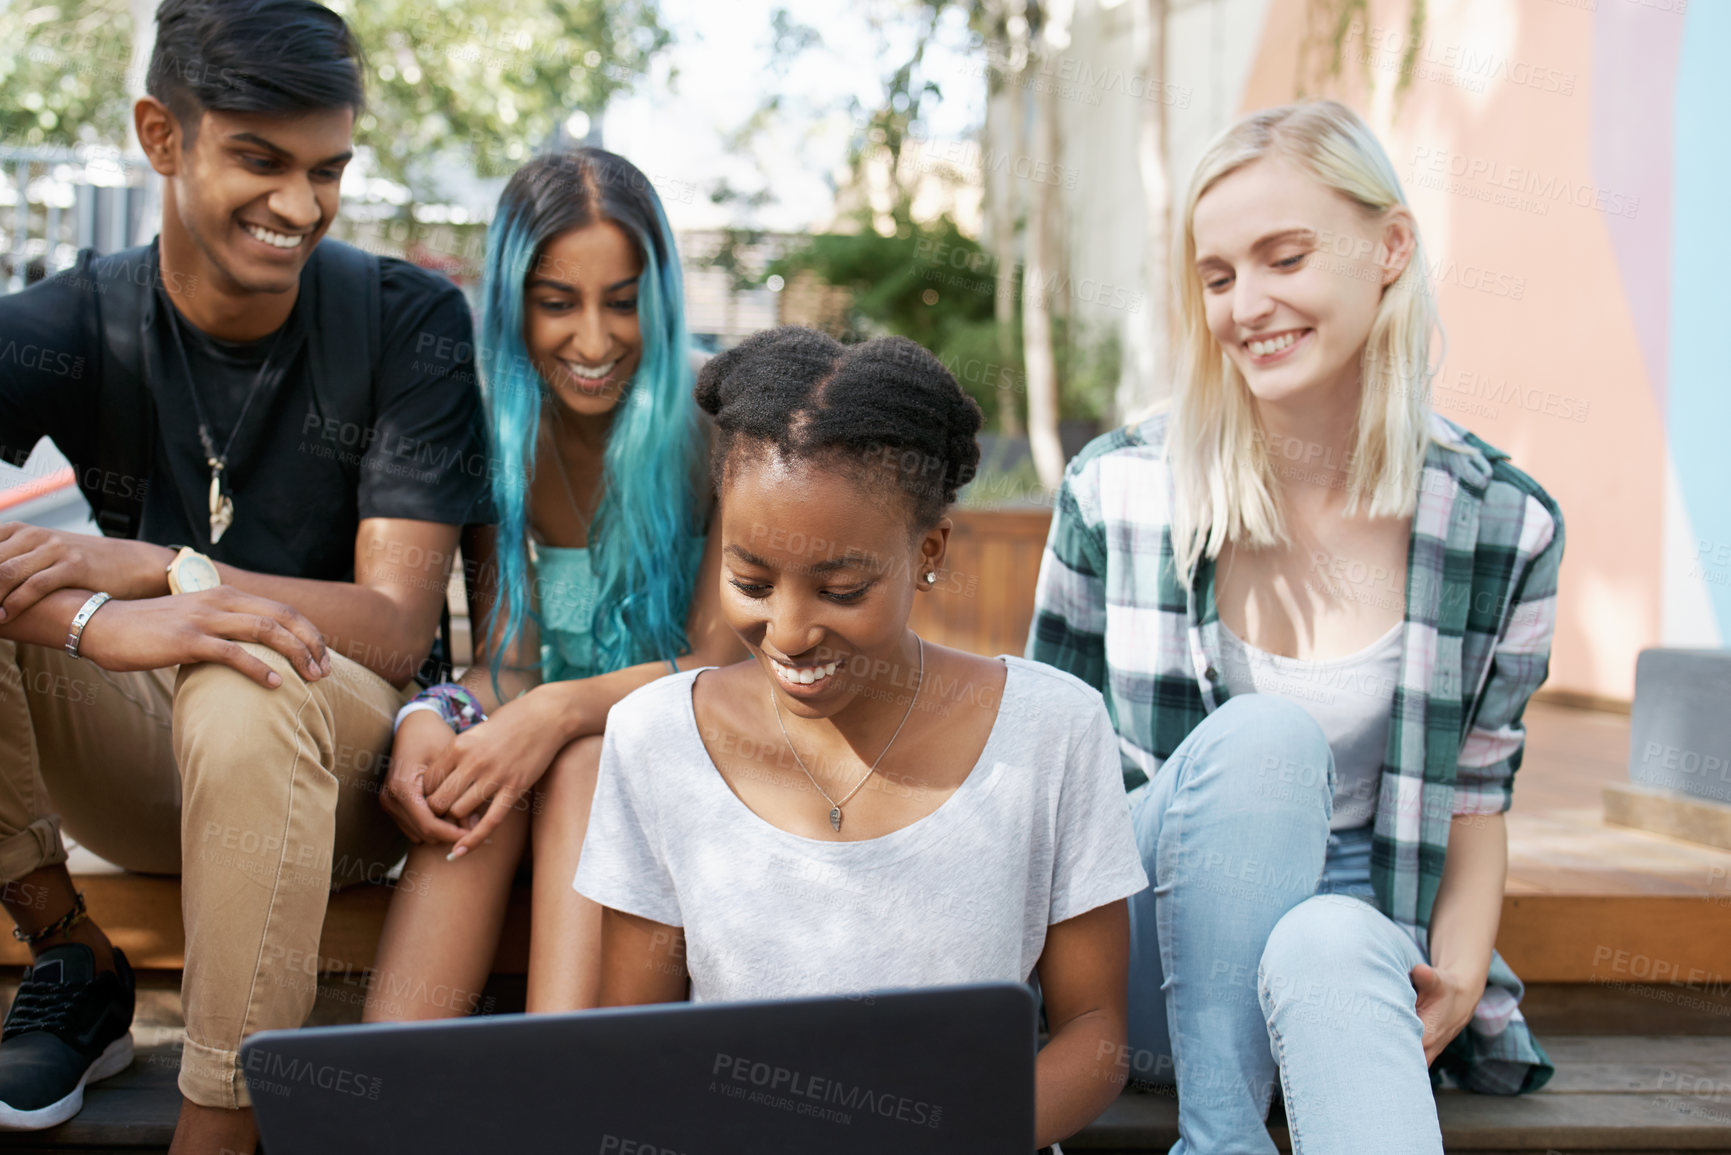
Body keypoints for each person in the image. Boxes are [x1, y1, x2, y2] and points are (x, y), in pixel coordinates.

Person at [1026, 99, 1564, 1154]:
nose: (1248, 305)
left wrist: (1455, 972)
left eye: (1285, 258)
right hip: (1144, 951)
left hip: (1353, 948)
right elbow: (1052, 761)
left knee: (1326, 936)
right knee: (1272, 741)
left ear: (1391, 248)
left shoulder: (1506, 523)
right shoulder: (1121, 489)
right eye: (1219, 277)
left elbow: (1477, 795)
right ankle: (1219, 1139)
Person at [0, 1, 490, 1150]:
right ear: (161, 137)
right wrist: (89, 624)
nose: (300, 207)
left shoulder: (404, 320)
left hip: (360, 776)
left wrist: (167, 574)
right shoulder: (79, 319)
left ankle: (220, 1117)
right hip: (145, 763)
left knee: (241, 665)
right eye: (260, 161)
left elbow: (391, 621)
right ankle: (70, 953)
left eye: (328, 170)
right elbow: (89, 613)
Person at [573, 326, 1150, 1152]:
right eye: (750, 580)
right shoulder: (656, 738)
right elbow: (635, 1044)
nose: (789, 629)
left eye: (841, 588)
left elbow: (1095, 1033)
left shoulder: (1052, 729)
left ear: (929, 551)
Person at [363, 149, 741, 1021]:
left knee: (580, 759)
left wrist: (558, 710)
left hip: (701, 754)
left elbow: (718, 665)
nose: (595, 341)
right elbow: (511, 664)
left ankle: (559, 1074)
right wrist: (433, 718)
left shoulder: (717, 424)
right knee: (474, 780)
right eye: (557, 303)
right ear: (512, 303)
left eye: (623, 301)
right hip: (555, 772)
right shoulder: (502, 433)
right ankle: (389, 1089)